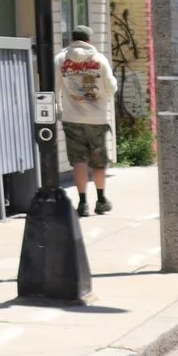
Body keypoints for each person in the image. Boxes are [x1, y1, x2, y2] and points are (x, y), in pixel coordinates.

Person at [56, 23, 116, 216]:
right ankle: (101, 200)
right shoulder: (99, 59)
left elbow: (55, 88)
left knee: (79, 161)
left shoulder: (61, 59)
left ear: (72, 39)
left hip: (72, 117)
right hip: (97, 118)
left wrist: (59, 107)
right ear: (89, 40)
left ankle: (82, 203)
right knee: (98, 161)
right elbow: (111, 87)